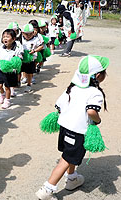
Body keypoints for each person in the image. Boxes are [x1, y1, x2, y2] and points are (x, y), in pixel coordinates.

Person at [36, 55, 109, 200]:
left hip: (65, 128)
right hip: (78, 132)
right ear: (99, 75)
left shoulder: (72, 87)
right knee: (66, 159)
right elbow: (91, 111)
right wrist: (98, 120)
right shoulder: (95, 93)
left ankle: (71, 178)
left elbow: (59, 106)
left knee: (69, 157)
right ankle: (47, 189)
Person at [0, 29, 23, 108]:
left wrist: (15, 62)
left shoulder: (16, 49)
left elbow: (19, 59)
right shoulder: (1, 48)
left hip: (10, 72)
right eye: (4, 37)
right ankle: (2, 94)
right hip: (1, 70)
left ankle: (7, 100)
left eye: (7, 37)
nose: (5, 38)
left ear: (14, 39)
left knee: (7, 87)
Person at [21, 23, 43, 93]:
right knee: (20, 71)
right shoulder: (20, 38)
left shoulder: (36, 39)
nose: (28, 36)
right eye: (26, 34)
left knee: (30, 72)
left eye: (30, 34)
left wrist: (34, 50)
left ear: (33, 33)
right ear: (22, 33)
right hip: (22, 58)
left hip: (31, 59)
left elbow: (41, 46)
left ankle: (29, 85)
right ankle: (22, 79)